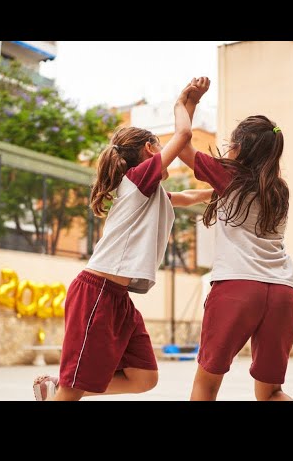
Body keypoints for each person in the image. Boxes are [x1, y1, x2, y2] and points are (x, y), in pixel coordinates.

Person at [33, 77, 212, 401]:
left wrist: (229, 190)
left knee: (144, 377)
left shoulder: (149, 192)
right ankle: (63, 391)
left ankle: (60, 389)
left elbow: (188, 196)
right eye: (160, 145)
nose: (165, 151)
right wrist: (183, 104)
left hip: (117, 298)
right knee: (72, 391)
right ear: (149, 149)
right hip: (96, 293)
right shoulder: (138, 179)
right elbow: (184, 135)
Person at [177, 113, 293, 401]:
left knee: (206, 385)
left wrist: (186, 104)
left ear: (241, 148)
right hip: (284, 291)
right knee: (271, 393)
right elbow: (216, 196)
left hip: (238, 288)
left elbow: (183, 144)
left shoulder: (230, 176)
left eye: (231, 143)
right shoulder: (279, 190)